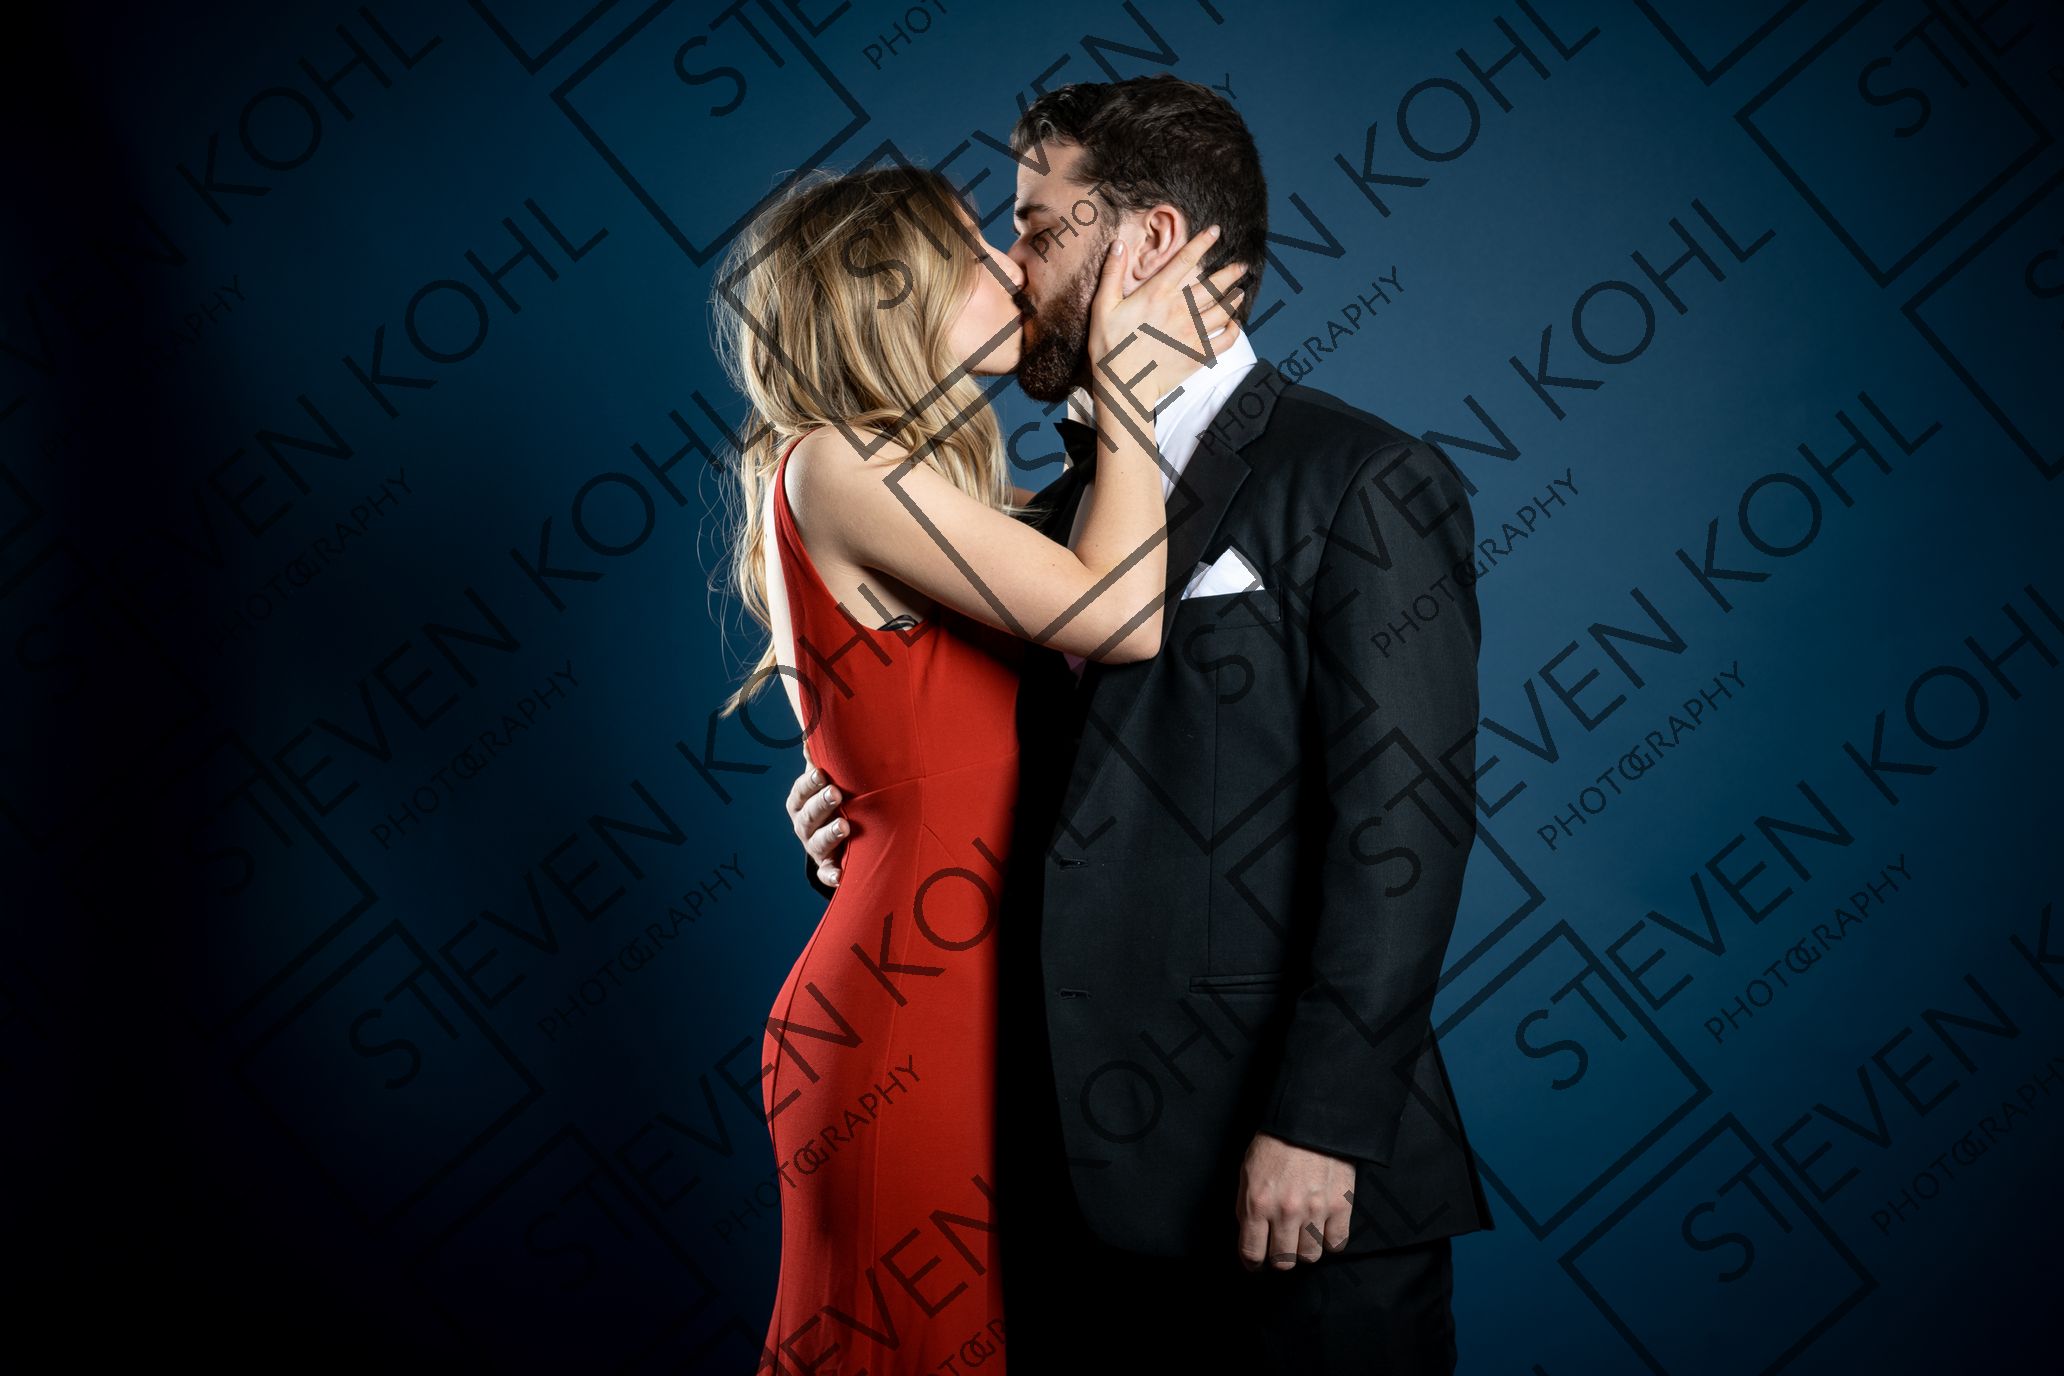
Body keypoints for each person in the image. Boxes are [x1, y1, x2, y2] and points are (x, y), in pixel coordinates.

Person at [784, 75, 1495, 1373]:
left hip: (1289, 1189)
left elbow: (1404, 830)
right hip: (1054, 1194)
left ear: (1150, 239)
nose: (1014, 266)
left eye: (1034, 227)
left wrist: (1323, 1124)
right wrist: (861, 800)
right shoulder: (1044, 520)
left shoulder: (1362, 481)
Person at [712, 159, 1250, 1374]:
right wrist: (1127, 382)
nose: (1012, 269)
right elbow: (1120, 615)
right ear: (884, 293)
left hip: (969, 990)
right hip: (903, 1013)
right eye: (970, 252)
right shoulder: (831, 463)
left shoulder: (916, 485)